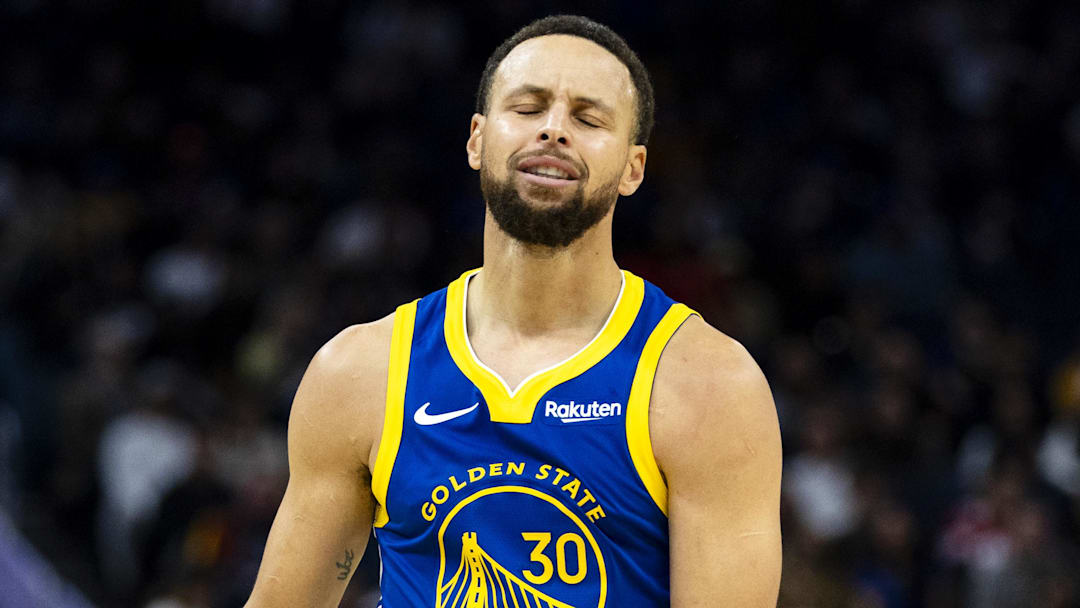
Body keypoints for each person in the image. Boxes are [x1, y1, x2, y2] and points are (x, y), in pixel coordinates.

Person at [245, 14, 782, 607]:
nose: (554, 131)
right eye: (528, 108)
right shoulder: (359, 372)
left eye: (588, 118)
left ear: (634, 169)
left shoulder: (710, 386)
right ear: (477, 139)